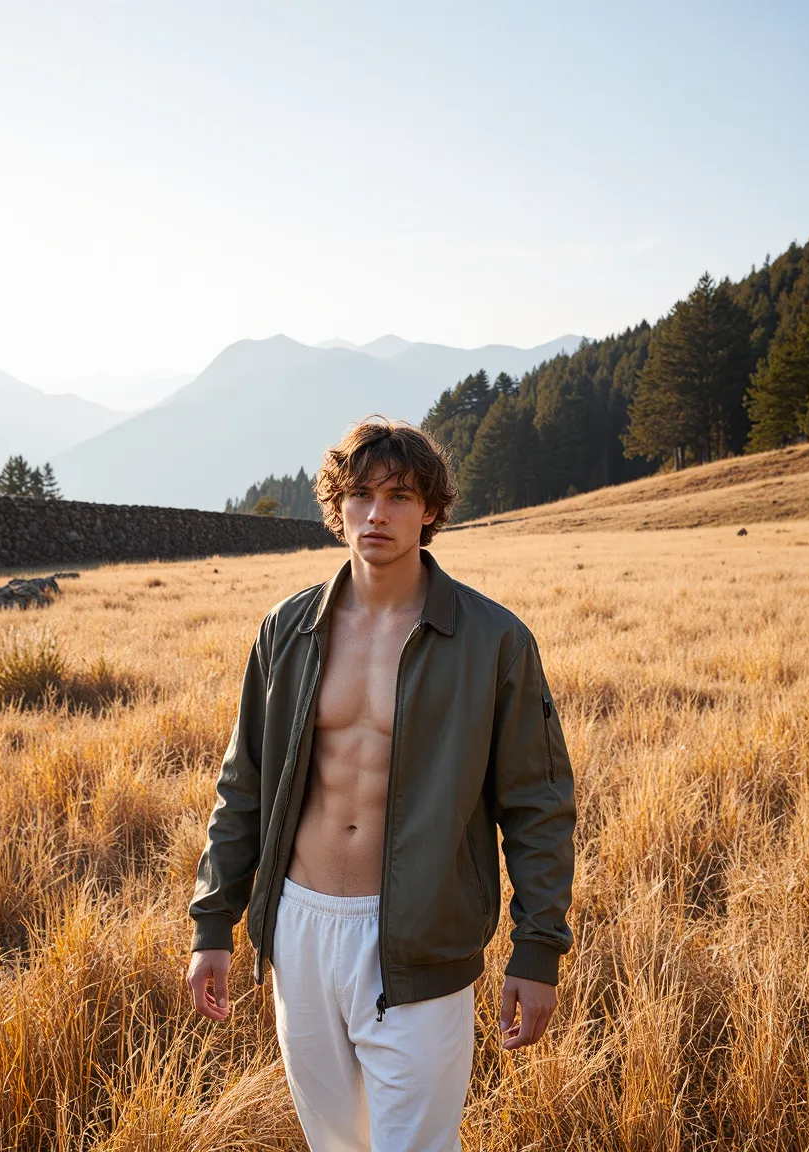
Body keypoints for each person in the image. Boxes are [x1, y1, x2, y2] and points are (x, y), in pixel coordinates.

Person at [187, 415, 577, 1152]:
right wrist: (214, 922)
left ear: (430, 509)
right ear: (337, 509)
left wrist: (538, 948)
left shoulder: (494, 641)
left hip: (421, 938)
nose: (377, 514)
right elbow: (244, 783)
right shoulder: (288, 628)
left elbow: (538, 807)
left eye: (399, 495)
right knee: (335, 1143)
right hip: (300, 930)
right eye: (360, 495)